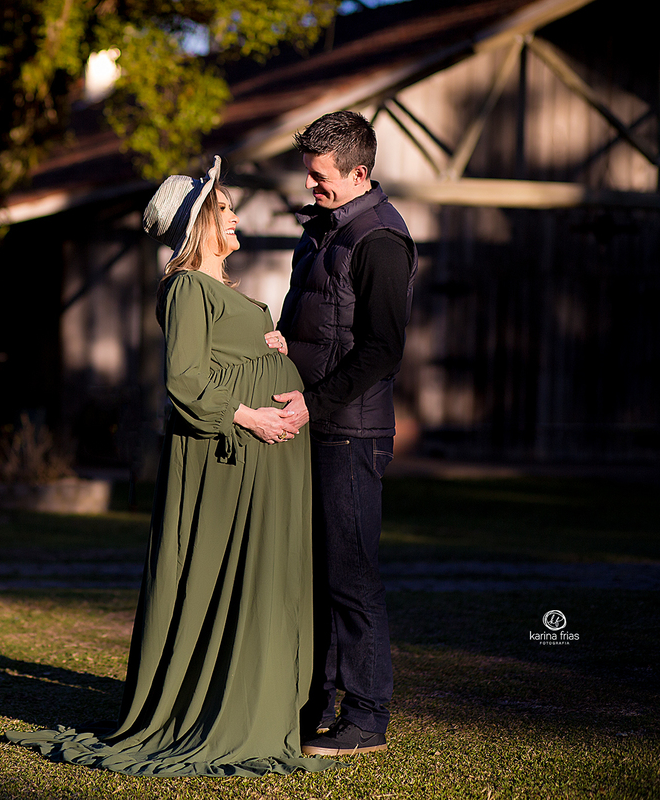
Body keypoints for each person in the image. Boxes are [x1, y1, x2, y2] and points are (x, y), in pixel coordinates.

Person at [6, 157, 337, 776]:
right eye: (227, 208)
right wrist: (253, 417)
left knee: (264, 576)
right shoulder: (188, 288)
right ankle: (223, 707)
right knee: (230, 572)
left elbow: (226, 355)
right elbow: (183, 380)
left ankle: (262, 703)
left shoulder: (223, 290)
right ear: (202, 224)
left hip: (265, 458)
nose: (236, 215)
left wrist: (279, 348)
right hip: (232, 451)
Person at [271, 111, 417, 756]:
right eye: (308, 174)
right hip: (309, 424)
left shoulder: (380, 240)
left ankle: (366, 718)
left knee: (350, 577)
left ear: (360, 172)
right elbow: (311, 324)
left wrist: (312, 404)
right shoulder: (322, 230)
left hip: (349, 432)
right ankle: (310, 707)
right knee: (312, 575)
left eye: (321, 176)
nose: (311, 186)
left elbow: (383, 349)